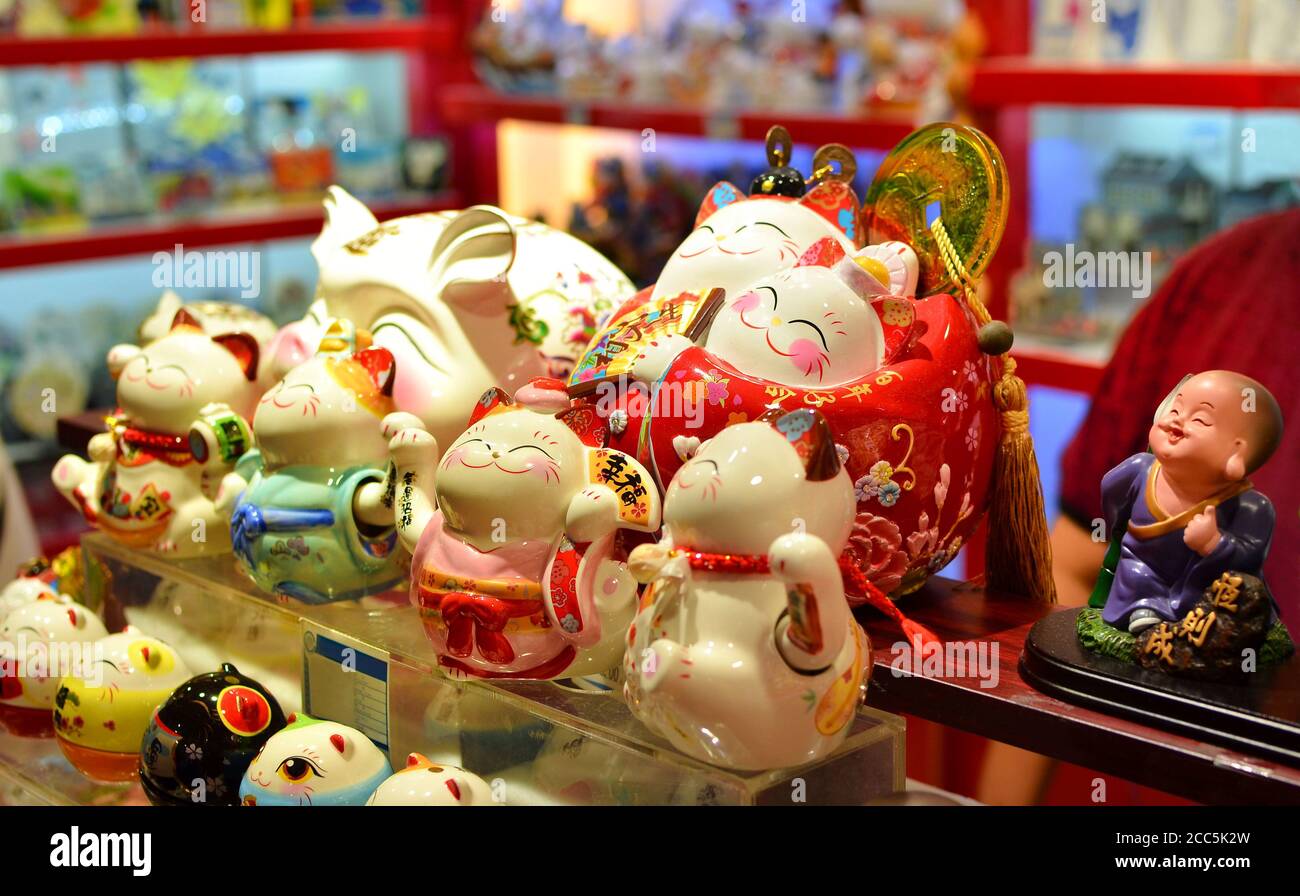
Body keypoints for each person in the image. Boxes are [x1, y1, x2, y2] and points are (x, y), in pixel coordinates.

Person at [977, 207, 1300, 805]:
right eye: (1176, 403)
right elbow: (1076, 561)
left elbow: (1243, 555)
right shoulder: (1226, 273)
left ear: (1237, 459)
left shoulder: (1247, 510)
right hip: (1140, 594)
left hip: (1220, 639)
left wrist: (1214, 546)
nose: (1177, 418)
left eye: (1199, 419)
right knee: (1140, 600)